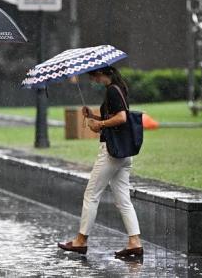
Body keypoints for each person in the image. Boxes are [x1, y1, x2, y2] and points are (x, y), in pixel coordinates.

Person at [58, 66, 143, 258]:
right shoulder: (119, 88)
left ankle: (80, 241)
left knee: (91, 194)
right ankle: (134, 241)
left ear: (101, 74)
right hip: (123, 153)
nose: (93, 80)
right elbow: (115, 117)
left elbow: (121, 118)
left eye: (94, 76)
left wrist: (100, 124)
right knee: (123, 199)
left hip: (111, 153)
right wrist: (94, 116)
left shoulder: (113, 90)